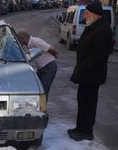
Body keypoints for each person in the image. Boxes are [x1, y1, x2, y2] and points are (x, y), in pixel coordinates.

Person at [68, 1, 113, 141]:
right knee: (82, 101)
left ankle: (86, 131)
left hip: (92, 75)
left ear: (95, 14)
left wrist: (83, 67)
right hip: (86, 74)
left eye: (87, 13)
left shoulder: (103, 29)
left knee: (88, 104)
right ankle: (80, 128)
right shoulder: (94, 26)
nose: (85, 15)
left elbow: (99, 55)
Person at [16, 29, 59, 100]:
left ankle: (43, 109)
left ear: (22, 38)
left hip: (49, 67)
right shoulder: (29, 44)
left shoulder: (35, 41)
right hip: (41, 68)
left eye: (18, 40)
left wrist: (56, 54)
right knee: (37, 88)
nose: (18, 42)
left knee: (43, 90)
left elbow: (51, 48)